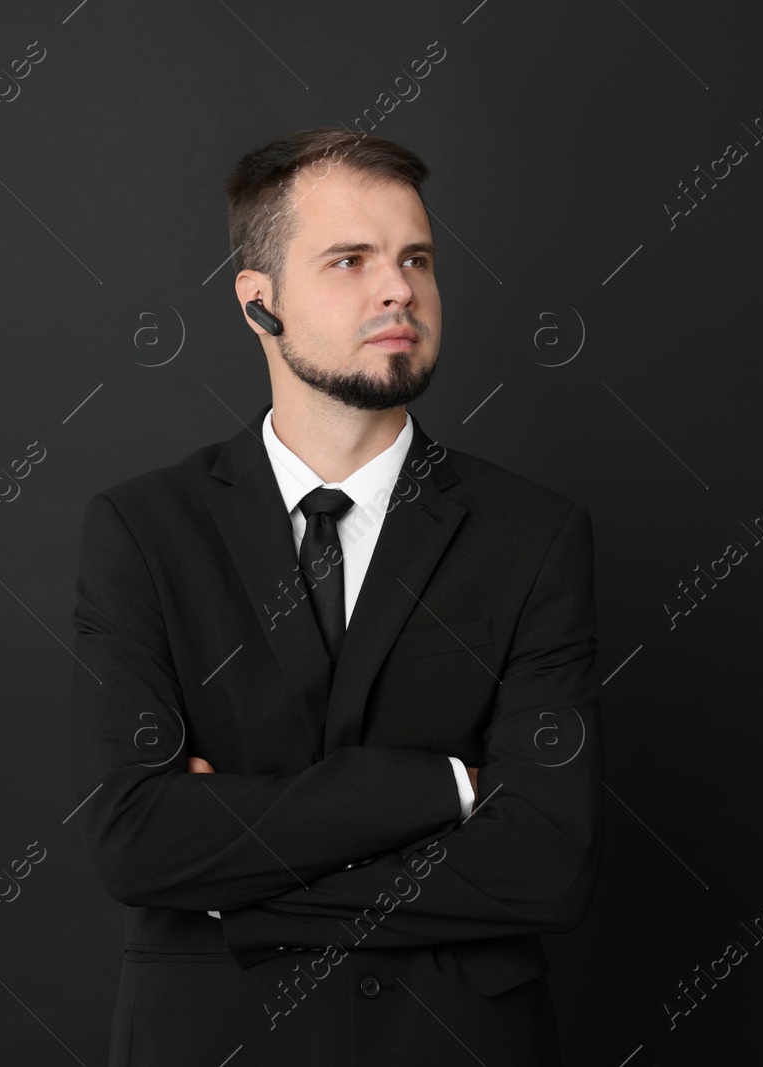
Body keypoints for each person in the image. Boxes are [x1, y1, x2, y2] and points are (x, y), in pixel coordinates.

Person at [70, 126, 603, 1065]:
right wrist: (440, 787)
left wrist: (234, 883)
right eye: (350, 260)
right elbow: (137, 841)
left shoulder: (536, 533)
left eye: (416, 259)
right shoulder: (144, 531)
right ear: (258, 304)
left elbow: (542, 864)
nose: (398, 288)